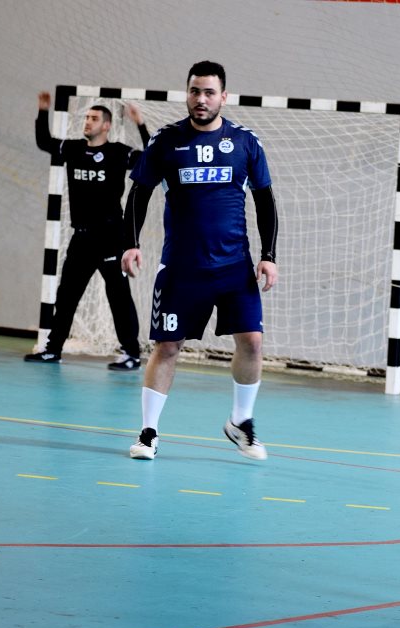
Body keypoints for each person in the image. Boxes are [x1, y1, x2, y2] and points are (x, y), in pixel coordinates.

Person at [120, 60, 279, 462]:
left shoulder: (245, 144)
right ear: (186, 94)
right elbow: (139, 193)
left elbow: (265, 201)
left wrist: (269, 256)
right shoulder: (166, 141)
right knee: (168, 346)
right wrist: (132, 243)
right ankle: (149, 433)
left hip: (233, 267)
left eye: (209, 92)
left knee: (253, 343)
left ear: (223, 97)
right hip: (182, 268)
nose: (201, 99)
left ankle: (241, 423)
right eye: (194, 91)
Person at [25, 91, 149, 371]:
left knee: (118, 295)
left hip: (110, 238)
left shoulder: (119, 153)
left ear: (106, 125)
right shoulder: (73, 149)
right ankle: (53, 349)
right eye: (87, 117)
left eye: (94, 118)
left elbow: (152, 157)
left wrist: (140, 124)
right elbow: (44, 142)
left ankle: (131, 353)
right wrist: (43, 110)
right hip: (82, 238)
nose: (88, 122)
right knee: (67, 294)